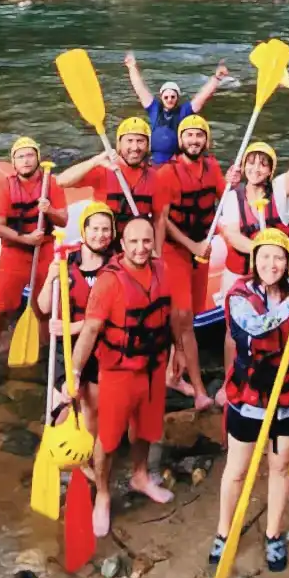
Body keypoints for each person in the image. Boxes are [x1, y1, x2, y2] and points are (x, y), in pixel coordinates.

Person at [60, 117, 208, 409]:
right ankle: (79, 378)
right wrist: (96, 161)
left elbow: (161, 220)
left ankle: (160, 374)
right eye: (129, 140)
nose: (135, 146)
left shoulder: (156, 178)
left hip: (140, 255)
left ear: (147, 146)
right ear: (119, 144)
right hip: (107, 254)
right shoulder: (105, 171)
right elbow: (61, 181)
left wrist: (157, 256)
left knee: (157, 315)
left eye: (141, 141)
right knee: (100, 319)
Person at [211, 229, 289, 574]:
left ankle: (273, 533)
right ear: (254, 260)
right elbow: (258, 328)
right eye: (264, 257)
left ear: (288, 262)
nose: (271, 264)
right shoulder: (239, 296)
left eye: (279, 258)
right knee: (237, 470)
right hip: (250, 396)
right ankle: (223, 531)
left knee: (280, 466)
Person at [70, 217, 177, 536]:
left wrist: (179, 354)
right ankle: (102, 494)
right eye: (133, 242)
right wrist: (74, 373)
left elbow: (170, 318)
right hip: (118, 372)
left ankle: (141, 475)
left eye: (146, 242)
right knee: (109, 437)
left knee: (146, 427)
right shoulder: (109, 281)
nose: (141, 248)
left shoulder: (162, 270)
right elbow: (90, 331)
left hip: (154, 366)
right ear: (122, 243)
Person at [0, 137, 67, 376]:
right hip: (14, 254)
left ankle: (46, 355)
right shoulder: (6, 187)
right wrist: (25, 239)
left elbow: (63, 220)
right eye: (20, 156)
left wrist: (50, 210)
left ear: (38, 158)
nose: (26, 160)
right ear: (13, 162)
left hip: (44, 252)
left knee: (43, 309)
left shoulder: (50, 184)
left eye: (30, 155)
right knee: (1, 311)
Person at [158, 115, 225, 397]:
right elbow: (162, 220)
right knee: (182, 315)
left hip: (202, 248)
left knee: (191, 315)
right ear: (181, 140)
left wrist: (235, 180)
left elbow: (225, 199)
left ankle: (173, 372)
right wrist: (191, 246)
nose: (194, 141)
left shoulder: (212, 167)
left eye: (199, 135)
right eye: (189, 135)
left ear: (206, 140)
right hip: (175, 250)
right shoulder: (166, 173)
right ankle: (193, 384)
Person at [38, 202, 116, 441]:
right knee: (62, 403)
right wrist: (51, 278)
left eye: (106, 230)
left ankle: (87, 458)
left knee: (92, 409)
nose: (100, 235)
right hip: (66, 348)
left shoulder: (116, 266)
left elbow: (113, 314)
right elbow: (43, 306)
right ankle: (55, 454)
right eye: (95, 229)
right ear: (84, 230)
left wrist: (71, 327)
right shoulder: (65, 261)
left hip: (100, 347)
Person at [215, 133, 289, 287]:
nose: (256, 169)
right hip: (242, 274)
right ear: (243, 167)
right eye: (251, 163)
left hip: (277, 272)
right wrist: (265, 251)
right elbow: (233, 235)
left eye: (263, 165)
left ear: (270, 171)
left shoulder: (278, 191)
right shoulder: (232, 197)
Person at [124, 52, 227, 165]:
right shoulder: (154, 109)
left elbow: (202, 96)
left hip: (176, 163)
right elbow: (140, 89)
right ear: (161, 97)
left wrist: (216, 78)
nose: (169, 99)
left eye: (173, 97)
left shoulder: (184, 111)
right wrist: (132, 67)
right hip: (153, 161)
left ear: (177, 98)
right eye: (166, 97)